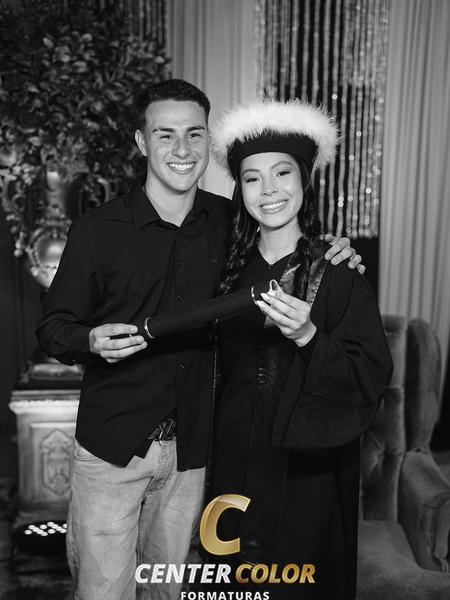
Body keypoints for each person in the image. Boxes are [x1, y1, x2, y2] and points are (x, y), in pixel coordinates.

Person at [36, 80, 364, 600]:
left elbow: (284, 234)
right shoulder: (97, 231)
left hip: (194, 452)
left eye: (194, 134)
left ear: (208, 141)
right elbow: (53, 328)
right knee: (103, 591)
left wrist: (333, 250)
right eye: (164, 135)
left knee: (167, 590)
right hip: (113, 446)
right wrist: (90, 339)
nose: (182, 149)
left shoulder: (231, 222)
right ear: (142, 142)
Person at [204, 99, 393, 599]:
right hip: (229, 462)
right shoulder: (225, 270)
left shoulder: (337, 273)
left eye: (282, 173)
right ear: (239, 189)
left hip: (306, 471)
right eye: (252, 178)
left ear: (305, 181)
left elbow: (369, 376)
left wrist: (309, 337)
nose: (268, 190)